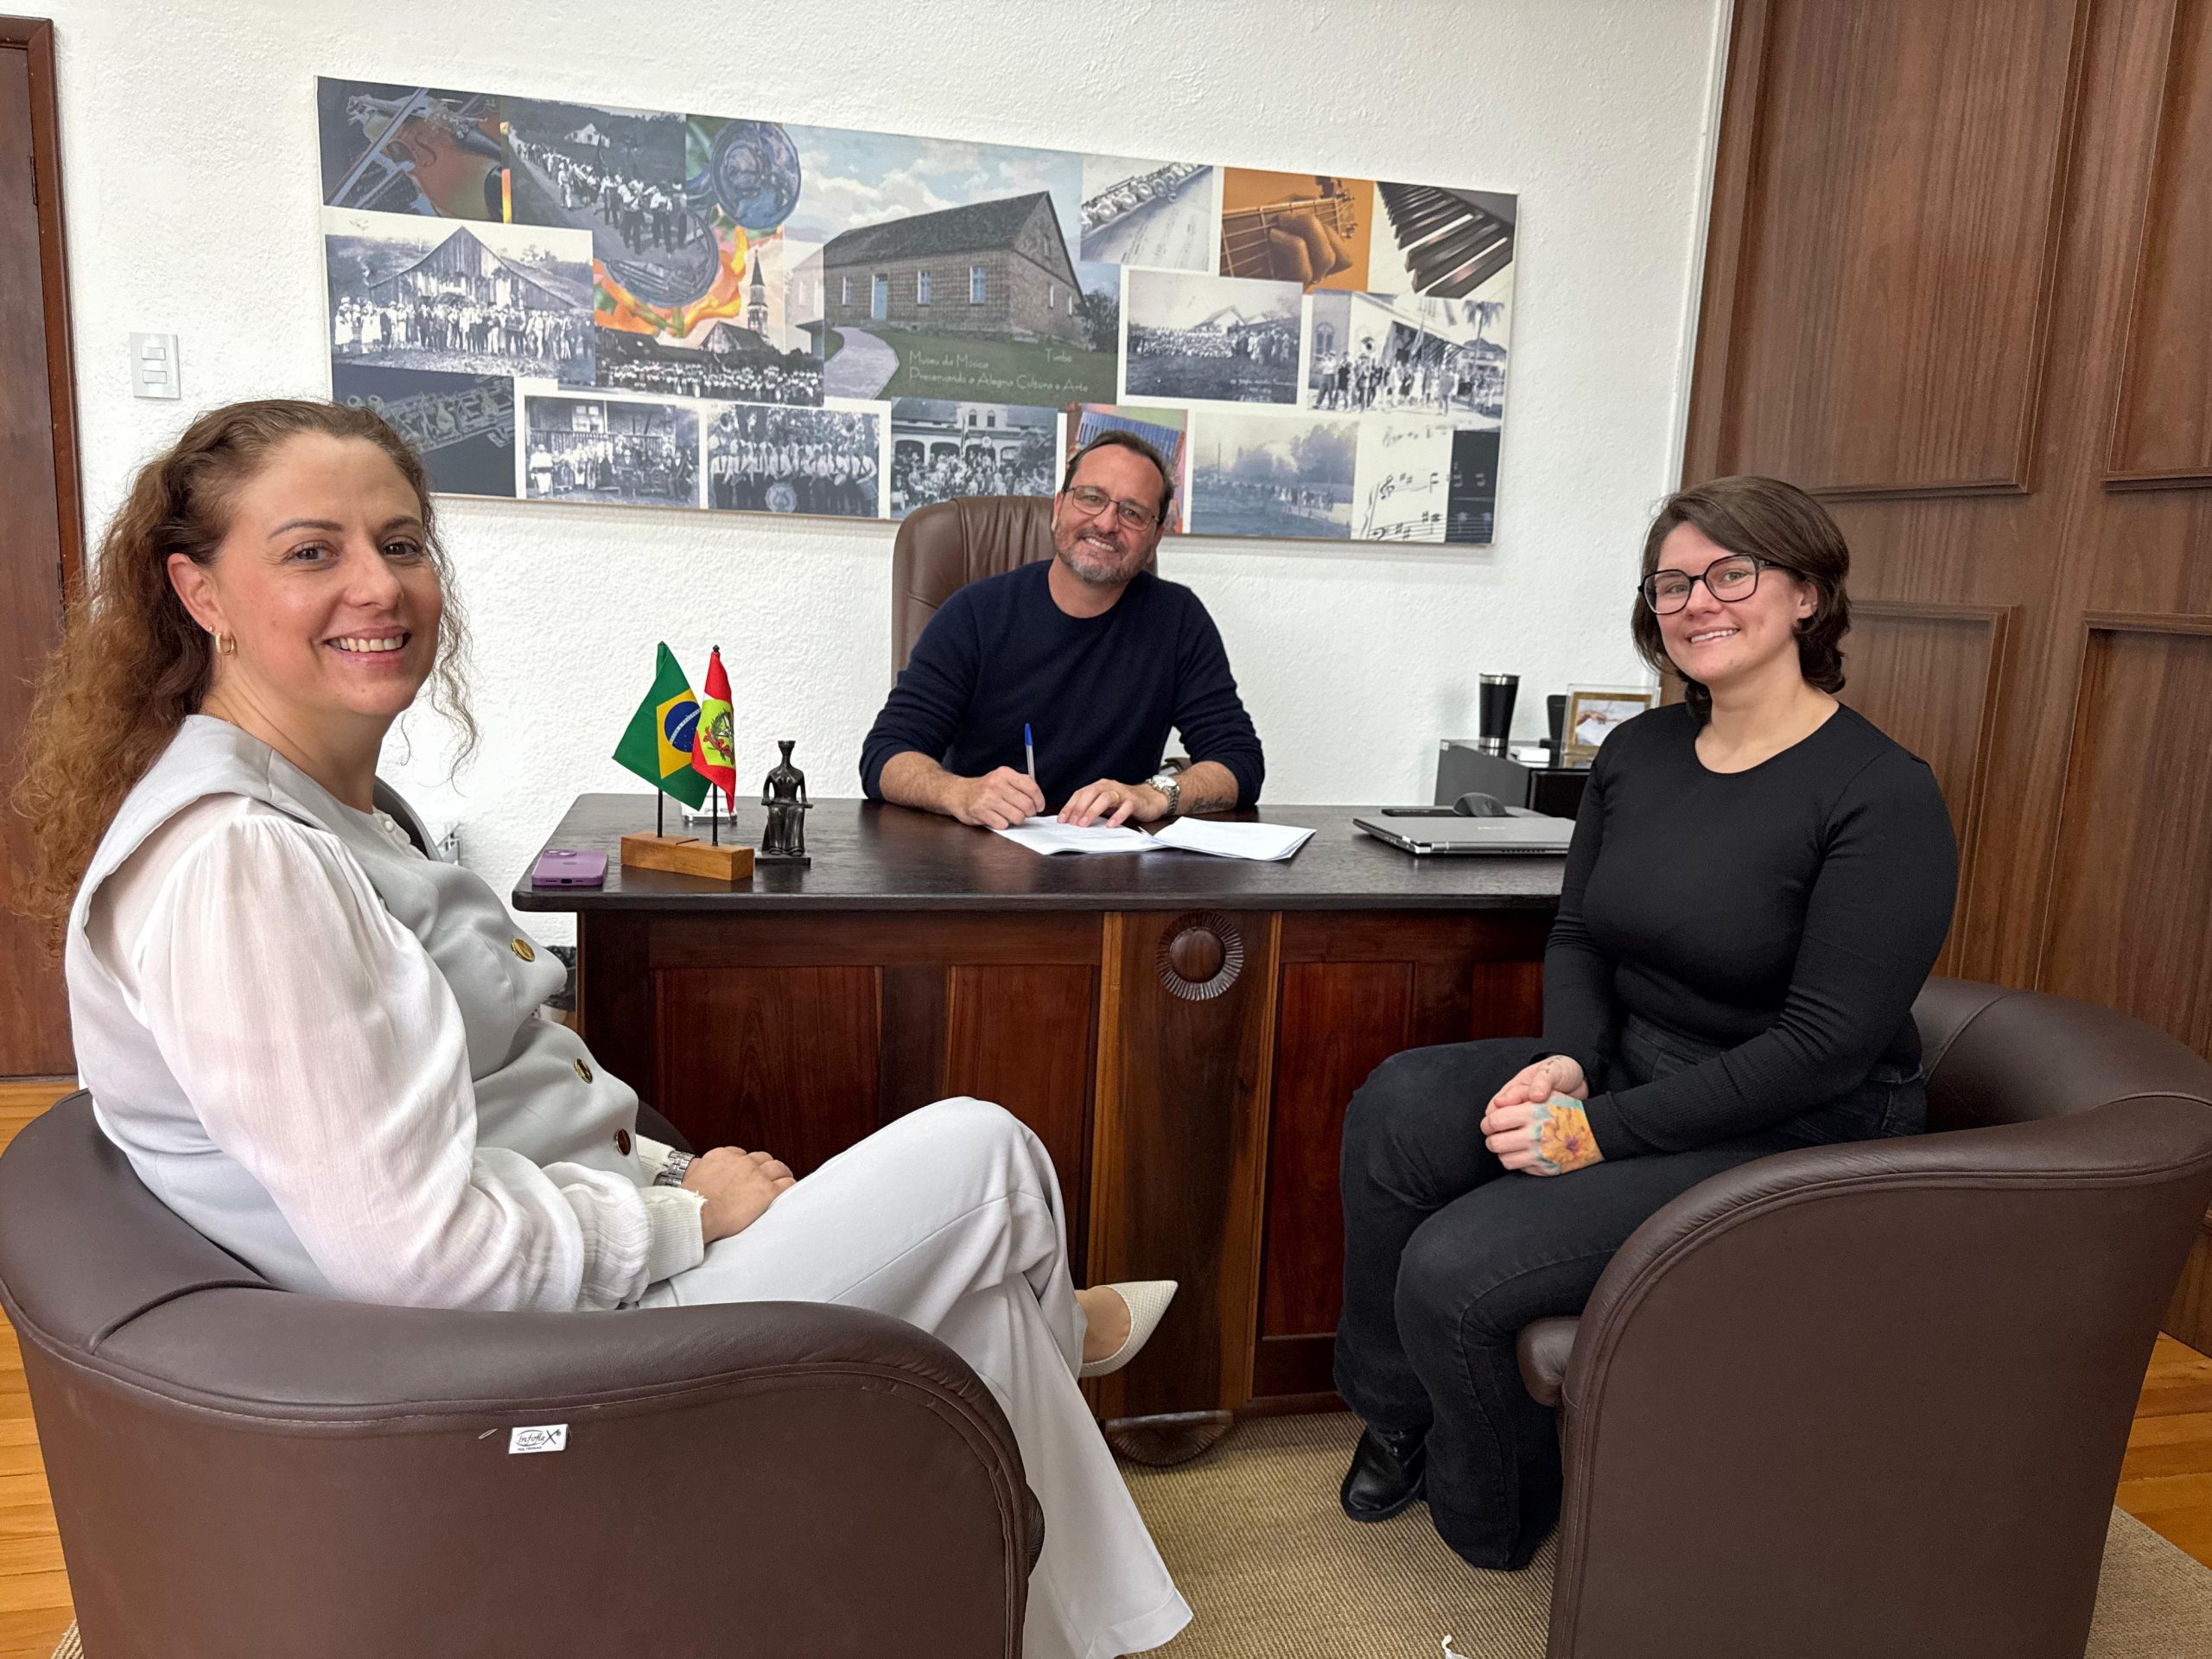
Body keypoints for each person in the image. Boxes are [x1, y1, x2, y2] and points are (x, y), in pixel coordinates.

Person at [14, 400, 1192, 1659]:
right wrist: (689, 1216)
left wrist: (668, 1176)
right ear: (200, 592)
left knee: (979, 1296)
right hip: (545, 1360)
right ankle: (1065, 1347)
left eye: (401, 544)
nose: (380, 586)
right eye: (313, 552)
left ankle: (1053, 1606)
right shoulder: (243, 868)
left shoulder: (318, 811)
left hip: (574, 1270)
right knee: (986, 1161)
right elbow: (423, 1261)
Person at [1332, 475, 1958, 1570]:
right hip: (1635, 1063)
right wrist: (1570, 1063)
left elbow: (1822, 1049)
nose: (1695, 602)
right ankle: (1396, 1416)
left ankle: (1493, 1519)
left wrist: (1596, 1134)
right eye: (1671, 584)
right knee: (1401, 1104)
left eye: (1730, 573)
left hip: (1793, 1123)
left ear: (1806, 594)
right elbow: (1580, 933)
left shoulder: (1881, 793)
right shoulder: (1638, 752)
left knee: (1456, 1265)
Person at [861, 430, 1263, 830]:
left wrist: (1155, 793)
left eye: (1133, 513)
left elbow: (1239, 759)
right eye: (1091, 497)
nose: (1106, 523)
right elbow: (886, 753)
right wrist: (959, 793)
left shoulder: (1178, 620)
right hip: (984, 852)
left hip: (1117, 856)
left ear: (1155, 537)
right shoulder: (974, 613)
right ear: (1058, 507)